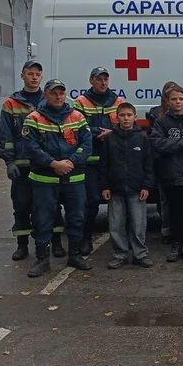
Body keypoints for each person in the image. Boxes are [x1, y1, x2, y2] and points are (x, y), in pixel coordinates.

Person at [22, 79, 92, 278]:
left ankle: (75, 255)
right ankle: (42, 260)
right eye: (53, 93)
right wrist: (53, 164)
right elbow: (31, 148)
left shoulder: (77, 116)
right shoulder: (33, 118)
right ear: (45, 94)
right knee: (42, 219)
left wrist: (70, 161)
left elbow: (86, 145)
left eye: (61, 93)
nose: (58, 96)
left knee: (77, 217)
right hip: (44, 179)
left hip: (73, 177)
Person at [0, 61, 64, 260]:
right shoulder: (11, 104)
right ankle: (22, 245)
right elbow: (6, 135)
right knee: (22, 205)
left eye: (37, 74)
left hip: (47, 164)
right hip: (22, 165)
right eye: (30, 74)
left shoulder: (49, 100)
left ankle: (56, 242)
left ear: (42, 77)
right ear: (22, 76)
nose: (34, 77)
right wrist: (9, 162)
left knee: (52, 205)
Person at [73, 67, 125, 255]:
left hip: (114, 159)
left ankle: (123, 241)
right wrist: (99, 133)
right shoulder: (80, 102)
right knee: (92, 200)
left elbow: (127, 124)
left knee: (121, 198)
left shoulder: (118, 101)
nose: (103, 83)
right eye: (99, 79)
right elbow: (77, 126)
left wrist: (113, 132)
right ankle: (85, 238)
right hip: (91, 161)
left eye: (105, 79)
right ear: (91, 81)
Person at [99, 102, 154, 269]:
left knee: (138, 224)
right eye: (122, 115)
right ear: (116, 118)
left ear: (135, 117)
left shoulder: (142, 139)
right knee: (116, 225)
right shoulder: (109, 139)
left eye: (129, 115)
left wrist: (146, 186)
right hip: (115, 189)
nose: (126, 118)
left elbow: (149, 165)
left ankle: (140, 254)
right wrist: (104, 186)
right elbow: (103, 165)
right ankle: (120, 255)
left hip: (136, 190)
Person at [150, 84, 183, 263]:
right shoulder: (161, 122)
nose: (178, 102)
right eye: (174, 99)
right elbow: (159, 144)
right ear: (168, 101)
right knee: (174, 212)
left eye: (181, 99)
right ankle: (176, 244)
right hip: (170, 173)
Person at [146, 81, 180, 246]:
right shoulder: (156, 114)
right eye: (169, 94)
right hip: (162, 162)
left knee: (181, 201)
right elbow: (155, 141)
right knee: (164, 200)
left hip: (181, 164)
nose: (174, 99)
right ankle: (166, 231)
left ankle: (181, 233)